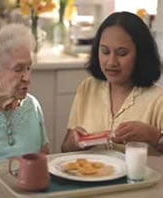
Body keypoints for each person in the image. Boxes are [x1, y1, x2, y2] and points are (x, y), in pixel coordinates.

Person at [61, 11, 163, 154]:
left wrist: (155, 136)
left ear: (140, 55)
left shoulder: (158, 99)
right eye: (105, 52)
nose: (111, 62)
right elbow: (65, 149)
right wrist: (74, 143)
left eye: (122, 53)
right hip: (91, 175)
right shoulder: (88, 88)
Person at [0, 23, 49, 162]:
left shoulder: (32, 105)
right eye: (18, 69)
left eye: (29, 68)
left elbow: (44, 154)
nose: (27, 78)